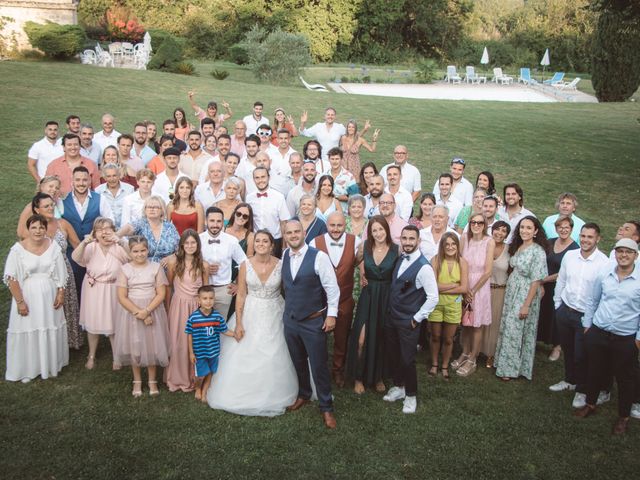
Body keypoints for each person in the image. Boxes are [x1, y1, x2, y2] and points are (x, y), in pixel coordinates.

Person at [208, 230, 299, 415]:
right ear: (254, 243)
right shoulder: (245, 265)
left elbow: (288, 290)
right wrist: (239, 323)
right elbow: (241, 294)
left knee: (277, 350)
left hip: (275, 310)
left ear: (272, 245)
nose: (261, 244)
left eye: (265, 241)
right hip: (251, 310)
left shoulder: (282, 264)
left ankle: (275, 391)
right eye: (258, 241)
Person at [575, 239, 640, 435]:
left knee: (625, 379)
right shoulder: (605, 273)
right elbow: (592, 299)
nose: (623, 255)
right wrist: (588, 325)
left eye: (628, 252)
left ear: (635, 255)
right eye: (620, 251)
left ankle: (623, 417)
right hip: (599, 331)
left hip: (625, 337)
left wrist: (638, 339)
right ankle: (590, 403)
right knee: (595, 370)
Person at [281, 220, 339, 429]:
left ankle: (326, 407)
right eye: (289, 232)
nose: (294, 235)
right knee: (298, 361)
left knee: (319, 365)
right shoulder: (284, 256)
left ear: (304, 232)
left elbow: (332, 289)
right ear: (285, 235)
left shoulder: (319, 257)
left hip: (313, 321)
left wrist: (331, 315)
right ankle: (304, 394)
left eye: (297, 231)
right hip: (291, 320)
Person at [550, 223, 610, 408]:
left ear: (597, 239)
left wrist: (592, 319)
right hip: (565, 310)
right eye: (583, 236)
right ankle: (570, 380)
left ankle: (582, 390)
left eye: (590, 237)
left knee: (581, 355)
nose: (585, 240)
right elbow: (562, 280)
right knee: (568, 349)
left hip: (585, 316)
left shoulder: (604, 262)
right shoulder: (570, 255)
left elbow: (603, 293)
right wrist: (558, 304)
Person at [4, 215, 68, 382]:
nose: (38, 231)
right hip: (28, 296)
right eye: (34, 227)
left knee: (48, 327)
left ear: (46, 229)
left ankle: (50, 364)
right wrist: (20, 302)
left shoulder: (53, 246)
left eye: (41, 227)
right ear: (28, 229)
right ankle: (29, 367)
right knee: (30, 328)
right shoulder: (17, 250)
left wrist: (60, 293)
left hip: (49, 296)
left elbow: (61, 272)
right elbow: (11, 278)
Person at [383, 225, 439, 414]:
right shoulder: (400, 259)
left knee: (407, 359)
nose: (407, 242)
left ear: (418, 241)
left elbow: (433, 297)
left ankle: (411, 395)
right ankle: (399, 387)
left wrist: (417, 318)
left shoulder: (424, 267)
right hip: (392, 318)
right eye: (404, 238)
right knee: (394, 355)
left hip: (408, 321)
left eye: (411, 239)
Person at [347, 215, 397, 394]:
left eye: (381, 229)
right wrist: (361, 273)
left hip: (386, 297)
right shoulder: (364, 248)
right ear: (370, 232)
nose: (378, 233)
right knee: (361, 339)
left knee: (381, 338)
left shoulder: (396, 250)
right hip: (368, 297)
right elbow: (351, 263)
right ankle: (358, 377)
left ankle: (378, 377)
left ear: (386, 230)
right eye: (374, 230)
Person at [310, 212, 361, 388]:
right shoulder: (315, 242)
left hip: (345, 299)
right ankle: (319, 371)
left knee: (342, 338)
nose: (336, 229)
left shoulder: (356, 241)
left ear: (344, 225)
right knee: (319, 339)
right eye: (332, 225)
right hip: (321, 302)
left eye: (340, 225)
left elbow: (361, 263)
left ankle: (338, 370)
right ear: (327, 225)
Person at [116, 236, 171, 397]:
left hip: (152, 309)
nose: (139, 254)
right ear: (130, 252)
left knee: (152, 345)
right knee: (136, 346)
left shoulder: (156, 267)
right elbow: (121, 296)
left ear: (148, 250)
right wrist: (139, 313)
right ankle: (137, 380)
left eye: (143, 250)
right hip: (132, 312)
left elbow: (161, 293)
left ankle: (152, 380)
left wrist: (147, 311)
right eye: (135, 251)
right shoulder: (125, 269)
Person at [71, 217, 129, 370]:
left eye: (108, 228)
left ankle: (117, 356)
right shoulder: (91, 247)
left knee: (113, 321)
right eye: (100, 229)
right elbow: (75, 258)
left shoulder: (118, 247)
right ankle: (91, 355)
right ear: (94, 233)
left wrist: (121, 241)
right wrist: (84, 242)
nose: (104, 232)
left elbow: (132, 258)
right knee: (93, 321)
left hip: (113, 288)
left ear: (113, 231)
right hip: (93, 288)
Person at [495, 216, 548, 381]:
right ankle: (504, 363)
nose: (525, 231)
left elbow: (536, 281)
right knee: (507, 326)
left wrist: (526, 305)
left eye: (529, 228)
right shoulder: (519, 247)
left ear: (536, 231)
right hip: (512, 290)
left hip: (526, 293)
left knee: (514, 328)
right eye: (522, 227)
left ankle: (509, 369)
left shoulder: (538, 251)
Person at [31, 193, 82, 350]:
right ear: (37, 209)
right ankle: (47, 345)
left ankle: (68, 341)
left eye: (52, 204)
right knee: (47, 308)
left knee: (67, 305)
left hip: (64, 270)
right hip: (42, 273)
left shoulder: (63, 224)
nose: (51, 208)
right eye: (46, 206)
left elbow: (78, 245)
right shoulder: (33, 227)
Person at [165, 230, 209, 393]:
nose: (190, 246)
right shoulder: (173, 263)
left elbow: (206, 289)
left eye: (193, 243)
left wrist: (205, 310)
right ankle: (177, 376)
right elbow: (169, 286)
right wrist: (168, 307)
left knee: (195, 343)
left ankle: (194, 376)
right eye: (187, 243)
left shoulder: (203, 265)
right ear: (182, 245)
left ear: (198, 245)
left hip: (196, 307)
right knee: (178, 342)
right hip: (179, 305)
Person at [62, 166, 113, 297]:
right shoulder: (62, 201)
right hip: (71, 252)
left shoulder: (100, 199)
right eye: (78, 180)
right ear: (72, 181)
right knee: (74, 287)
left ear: (90, 181)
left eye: (84, 180)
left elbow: (110, 222)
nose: (81, 183)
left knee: (94, 286)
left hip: (95, 251)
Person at [455, 213, 495, 377]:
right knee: (465, 322)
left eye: (480, 222)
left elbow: (488, 271)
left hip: (480, 287)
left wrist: (472, 291)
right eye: (473, 222)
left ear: (484, 225)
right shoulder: (465, 238)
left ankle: (472, 358)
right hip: (464, 283)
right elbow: (459, 261)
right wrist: (464, 289)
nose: (476, 225)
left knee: (476, 324)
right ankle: (464, 352)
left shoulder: (489, 241)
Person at [538, 216, 579, 362]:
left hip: (558, 287)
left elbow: (565, 272)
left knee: (555, 317)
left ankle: (557, 346)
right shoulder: (549, 243)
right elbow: (541, 260)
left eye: (567, 227)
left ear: (572, 229)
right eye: (560, 227)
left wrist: (544, 280)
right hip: (542, 285)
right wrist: (540, 282)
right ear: (556, 229)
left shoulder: (575, 249)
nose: (563, 230)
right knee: (541, 313)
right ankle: (538, 339)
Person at [429, 232, 468, 380]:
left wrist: (443, 287)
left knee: (448, 338)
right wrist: (453, 285)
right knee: (435, 336)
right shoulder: (436, 260)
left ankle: (444, 365)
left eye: (453, 244)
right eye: (447, 244)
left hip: (454, 306)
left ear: (457, 246)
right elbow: (433, 286)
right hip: (437, 304)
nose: (450, 247)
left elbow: (464, 288)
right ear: (442, 246)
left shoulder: (463, 263)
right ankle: (434, 364)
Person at [199, 206, 248, 319]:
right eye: (212, 221)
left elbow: (244, 263)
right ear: (206, 221)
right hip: (201, 288)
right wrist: (203, 268)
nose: (215, 224)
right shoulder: (198, 239)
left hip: (224, 290)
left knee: (220, 326)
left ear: (223, 222)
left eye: (218, 221)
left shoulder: (231, 241)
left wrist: (238, 284)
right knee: (202, 325)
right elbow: (188, 262)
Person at [481, 221, 511, 368]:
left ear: (507, 234)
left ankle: (491, 354)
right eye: (497, 229)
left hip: (499, 290)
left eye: (504, 231)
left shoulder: (509, 250)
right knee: (480, 321)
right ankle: (478, 349)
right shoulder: (484, 245)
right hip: (483, 289)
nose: (499, 233)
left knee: (495, 323)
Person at [117, 196, 180, 264]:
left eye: (155, 207)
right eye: (149, 207)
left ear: (162, 210)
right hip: (145, 267)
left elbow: (179, 249)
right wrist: (117, 235)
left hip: (168, 268)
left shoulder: (169, 227)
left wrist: (170, 258)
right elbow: (129, 228)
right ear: (145, 209)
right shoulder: (140, 223)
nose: (152, 209)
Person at [246, 167, 291, 257]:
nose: (260, 180)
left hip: (275, 241)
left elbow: (284, 223)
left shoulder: (279, 197)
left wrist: (284, 246)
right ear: (253, 179)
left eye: (263, 177)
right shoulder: (249, 198)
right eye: (257, 178)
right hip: (256, 241)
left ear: (269, 177)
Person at [95, 163, 135, 229]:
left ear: (119, 175)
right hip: (106, 229)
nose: (112, 179)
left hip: (125, 229)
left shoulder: (129, 189)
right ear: (104, 177)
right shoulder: (98, 191)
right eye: (108, 176)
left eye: (114, 175)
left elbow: (132, 212)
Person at [324, 148, 356, 212]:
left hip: (343, 214)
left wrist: (340, 198)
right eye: (332, 159)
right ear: (329, 160)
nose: (334, 161)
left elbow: (355, 198)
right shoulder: (324, 175)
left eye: (337, 159)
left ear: (341, 159)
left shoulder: (349, 177)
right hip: (327, 214)